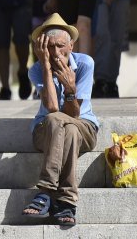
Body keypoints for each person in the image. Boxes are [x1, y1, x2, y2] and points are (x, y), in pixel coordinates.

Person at [22, 13, 99, 228]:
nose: (56, 53)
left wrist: (71, 90)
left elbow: (74, 115)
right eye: (49, 47)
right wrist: (46, 68)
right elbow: (53, 108)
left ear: (71, 46)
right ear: (41, 49)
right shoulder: (37, 70)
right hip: (45, 130)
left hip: (85, 126)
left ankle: (45, 193)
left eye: (60, 46)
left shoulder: (85, 64)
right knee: (60, 123)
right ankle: (67, 202)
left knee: (70, 126)